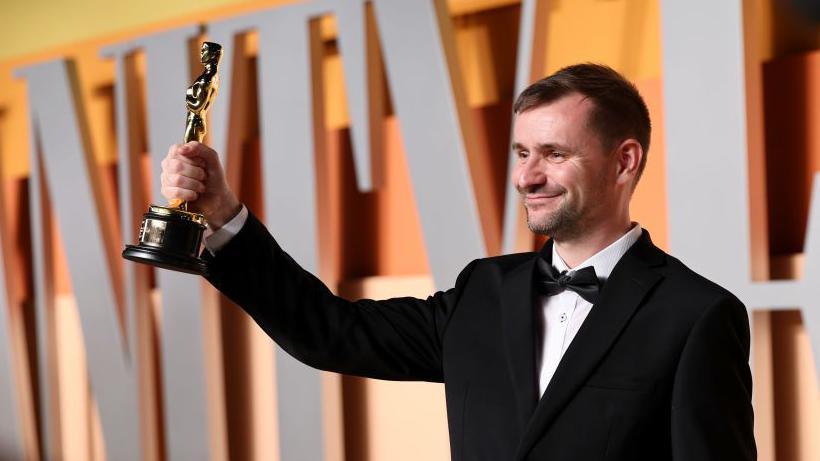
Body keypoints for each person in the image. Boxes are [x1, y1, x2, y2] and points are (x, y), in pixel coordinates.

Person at [160, 63, 756, 460]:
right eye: (522, 152)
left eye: (554, 153)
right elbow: (329, 332)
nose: (526, 176)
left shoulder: (698, 315)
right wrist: (224, 214)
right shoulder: (483, 291)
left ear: (625, 161)